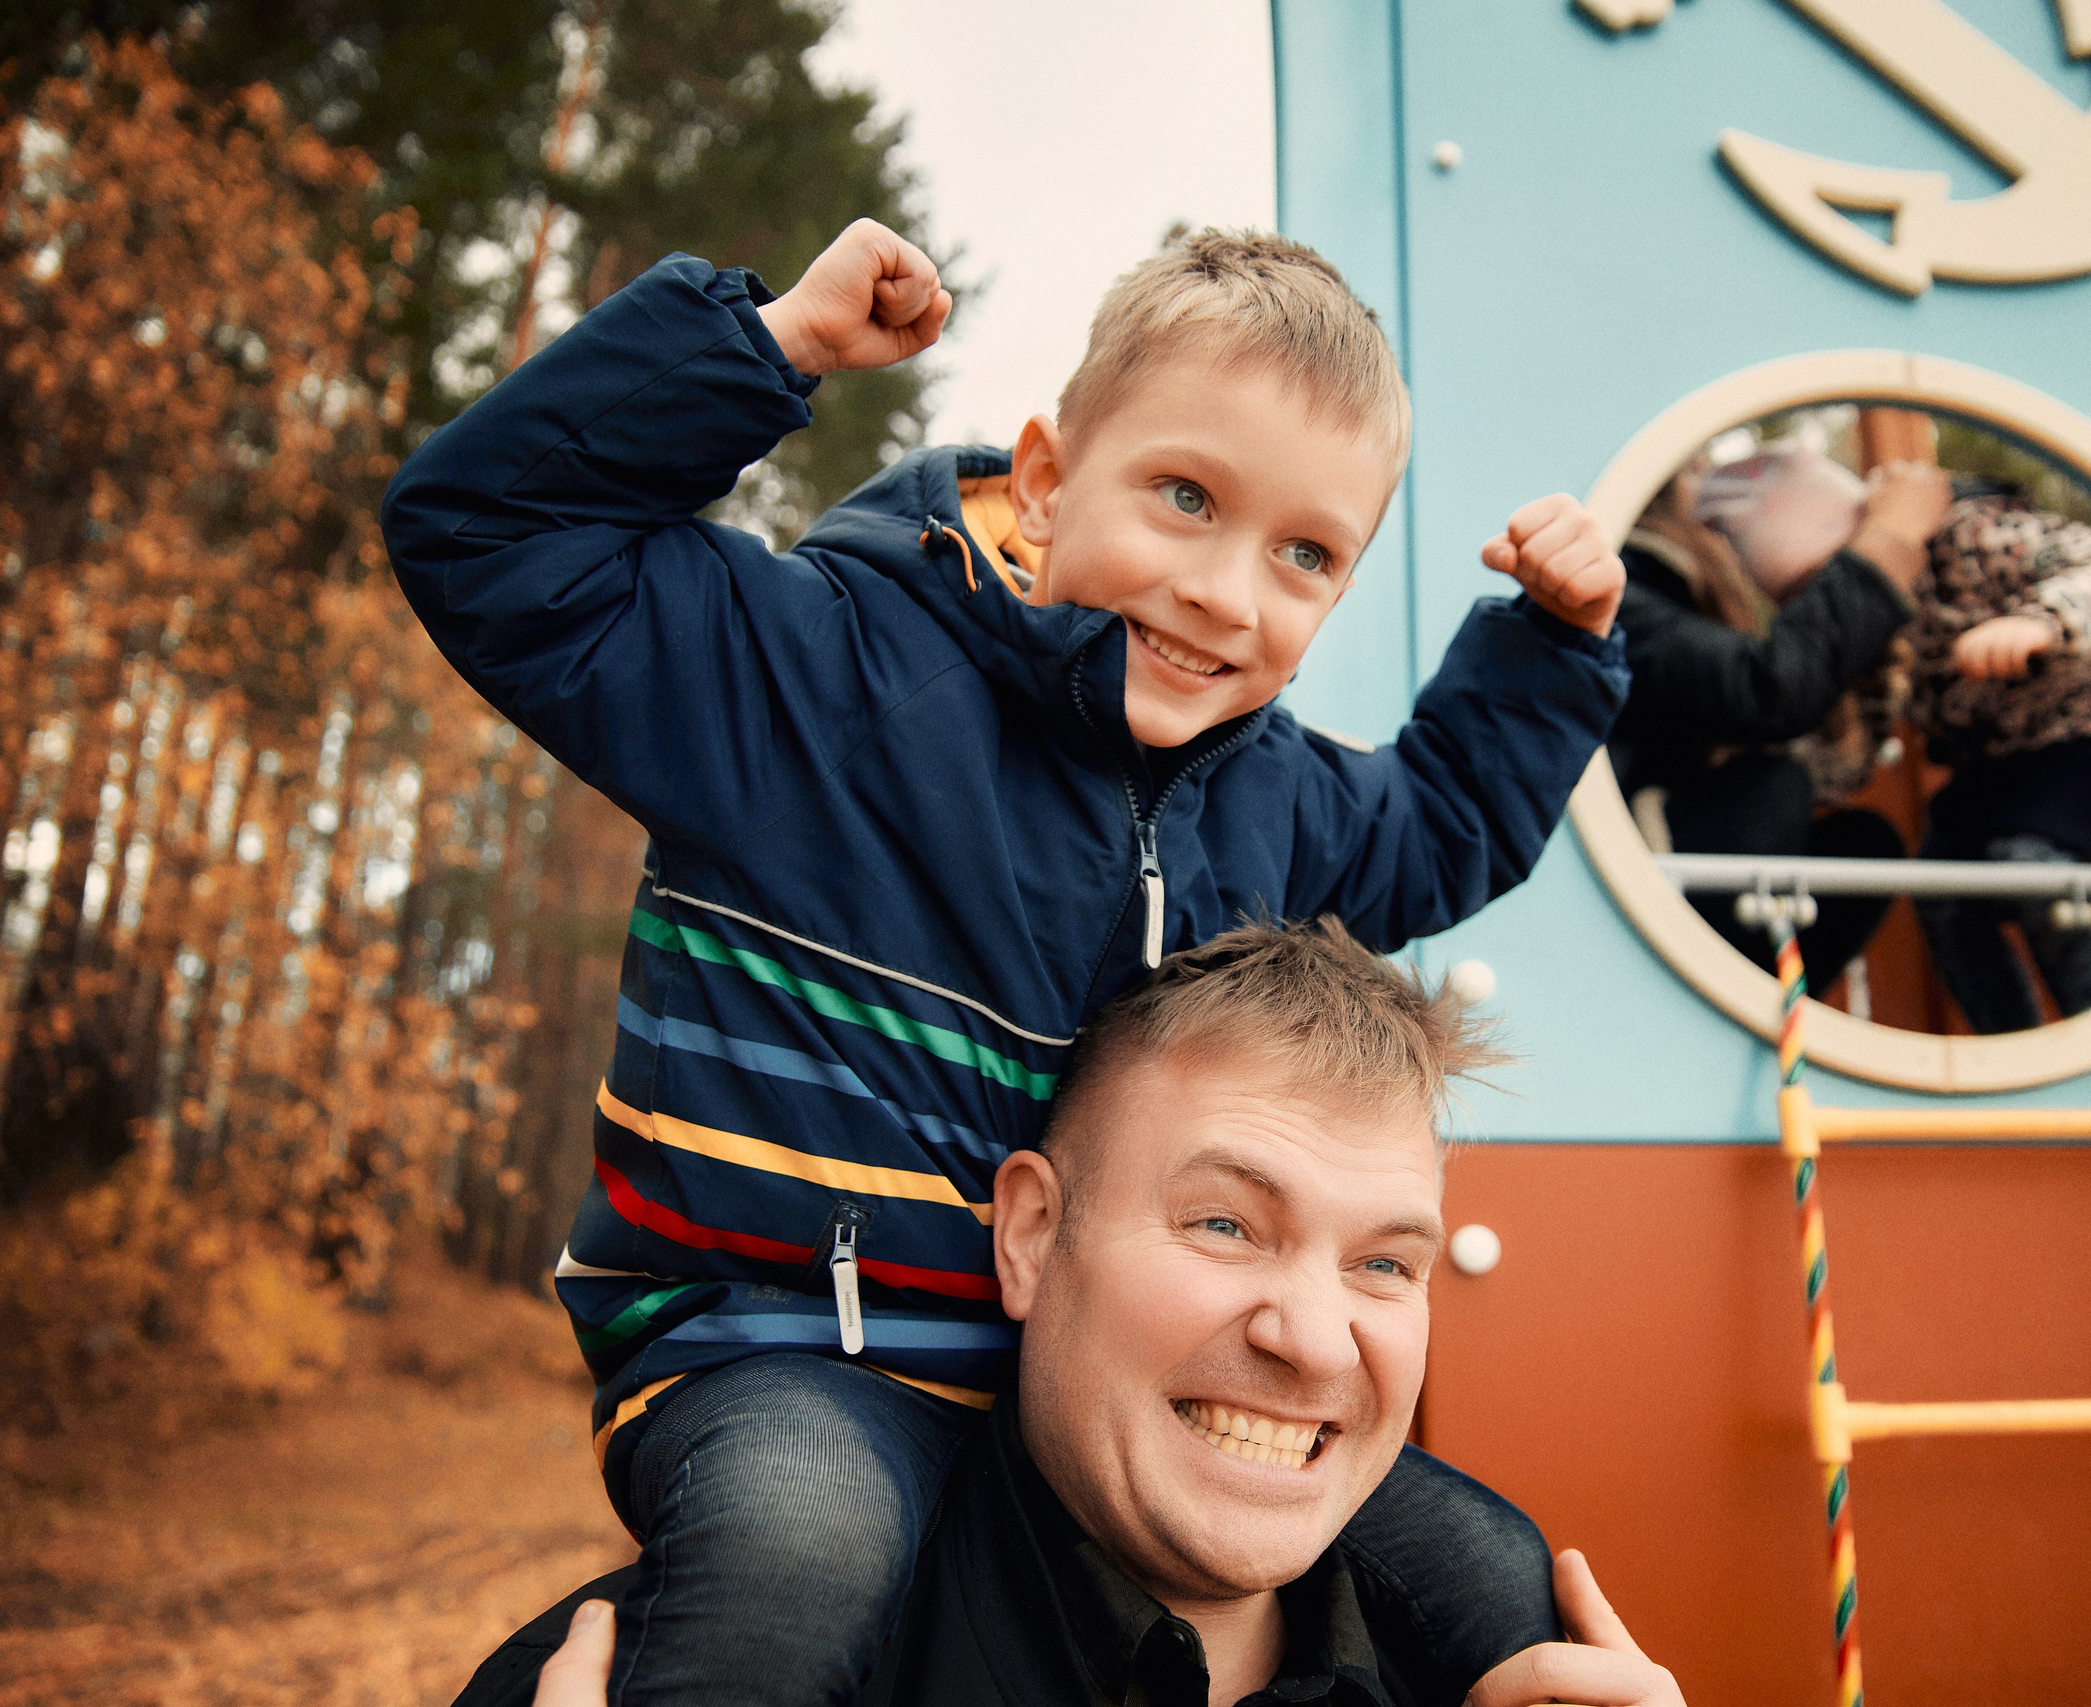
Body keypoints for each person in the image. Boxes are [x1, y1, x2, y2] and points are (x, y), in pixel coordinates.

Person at [382, 220, 1628, 1704]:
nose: (1229, 592)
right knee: (802, 1558)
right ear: (1044, 477)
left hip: (1085, 1390)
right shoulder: (818, 679)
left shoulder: (1273, 800)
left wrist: (1553, 649)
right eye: (1185, 497)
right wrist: (764, 348)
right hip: (797, 1353)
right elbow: (486, 532)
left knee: (1488, 1564)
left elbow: (1440, 830)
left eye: (1304, 554)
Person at [457, 923, 1682, 1707]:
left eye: (1382, 1267)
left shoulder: (1504, 1670)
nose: (1312, 1339)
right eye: (1224, 1225)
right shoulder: (679, 1672)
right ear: (1032, 1236)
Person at [1607, 444, 1952, 994]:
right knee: (1775, 788)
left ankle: (1764, 1010)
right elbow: (1770, 692)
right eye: (1696, 472)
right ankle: (1707, 997)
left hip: (1683, 843)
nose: (1713, 493)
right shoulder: (1622, 587)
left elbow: (1813, 737)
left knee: (1864, 841)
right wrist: (1884, 543)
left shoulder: (1699, 600)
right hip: (1630, 864)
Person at [1903, 487, 2091, 1032]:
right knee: (1942, 886)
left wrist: (2046, 621)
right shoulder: (1876, 604)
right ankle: (2012, 1044)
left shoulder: (1977, 535)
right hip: (2002, 762)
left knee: (2037, 871)